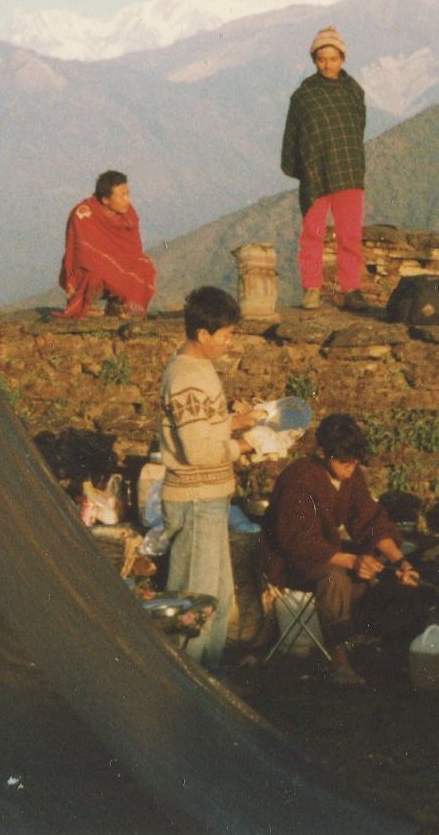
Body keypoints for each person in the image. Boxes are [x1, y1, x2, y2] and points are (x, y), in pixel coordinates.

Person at [259, 414, 420, 685]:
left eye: (355, 461)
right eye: (344, 461)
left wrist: (400, 561)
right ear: (322, 453)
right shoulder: (299, 480)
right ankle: (340, 663)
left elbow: (369, 520)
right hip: (287, 559)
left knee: (374, 560)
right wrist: (352, 561)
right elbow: (298, 541)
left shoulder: (351, 475)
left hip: (325, 550)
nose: (350, 468)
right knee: (335, 578)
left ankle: (361, 632)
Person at [158, 286, 259, 672]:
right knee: (194, 606)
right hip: (196, 499)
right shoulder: (186, 377)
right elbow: (198, 450)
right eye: (226, 335)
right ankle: (185, 686)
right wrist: (247, 445)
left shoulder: (199, 368)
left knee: (216, 598)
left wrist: (238, 422)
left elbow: (204, 427)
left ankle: (209, 681)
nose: (229, 342)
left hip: (210, 497)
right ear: (203, 335)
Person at [279, 26, 368, 310]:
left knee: (350, 236)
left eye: (333, 58)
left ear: (342, 58)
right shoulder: (303, 97)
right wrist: (305, 169)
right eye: (321, 59)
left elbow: (356, 129)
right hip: (315, 175)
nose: (328, 64)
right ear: (314, 61)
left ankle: (351, 289)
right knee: (312, 234)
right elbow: (292, 138)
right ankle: (311, 289)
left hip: (348, 172)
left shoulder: (354, 91)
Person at [58, 170, 156, 319]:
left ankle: (120, 305)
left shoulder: (128, 215)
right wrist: (111, 265)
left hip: (116, 263)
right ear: (105, 199)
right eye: (122, 195)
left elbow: (134, 250)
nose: (127, 200)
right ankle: (90, 303)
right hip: (87, 268)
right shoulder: (83, 214)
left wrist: (119, 264)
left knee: (144, 265)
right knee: (96, 271)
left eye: (128, 194)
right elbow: (84, 254)